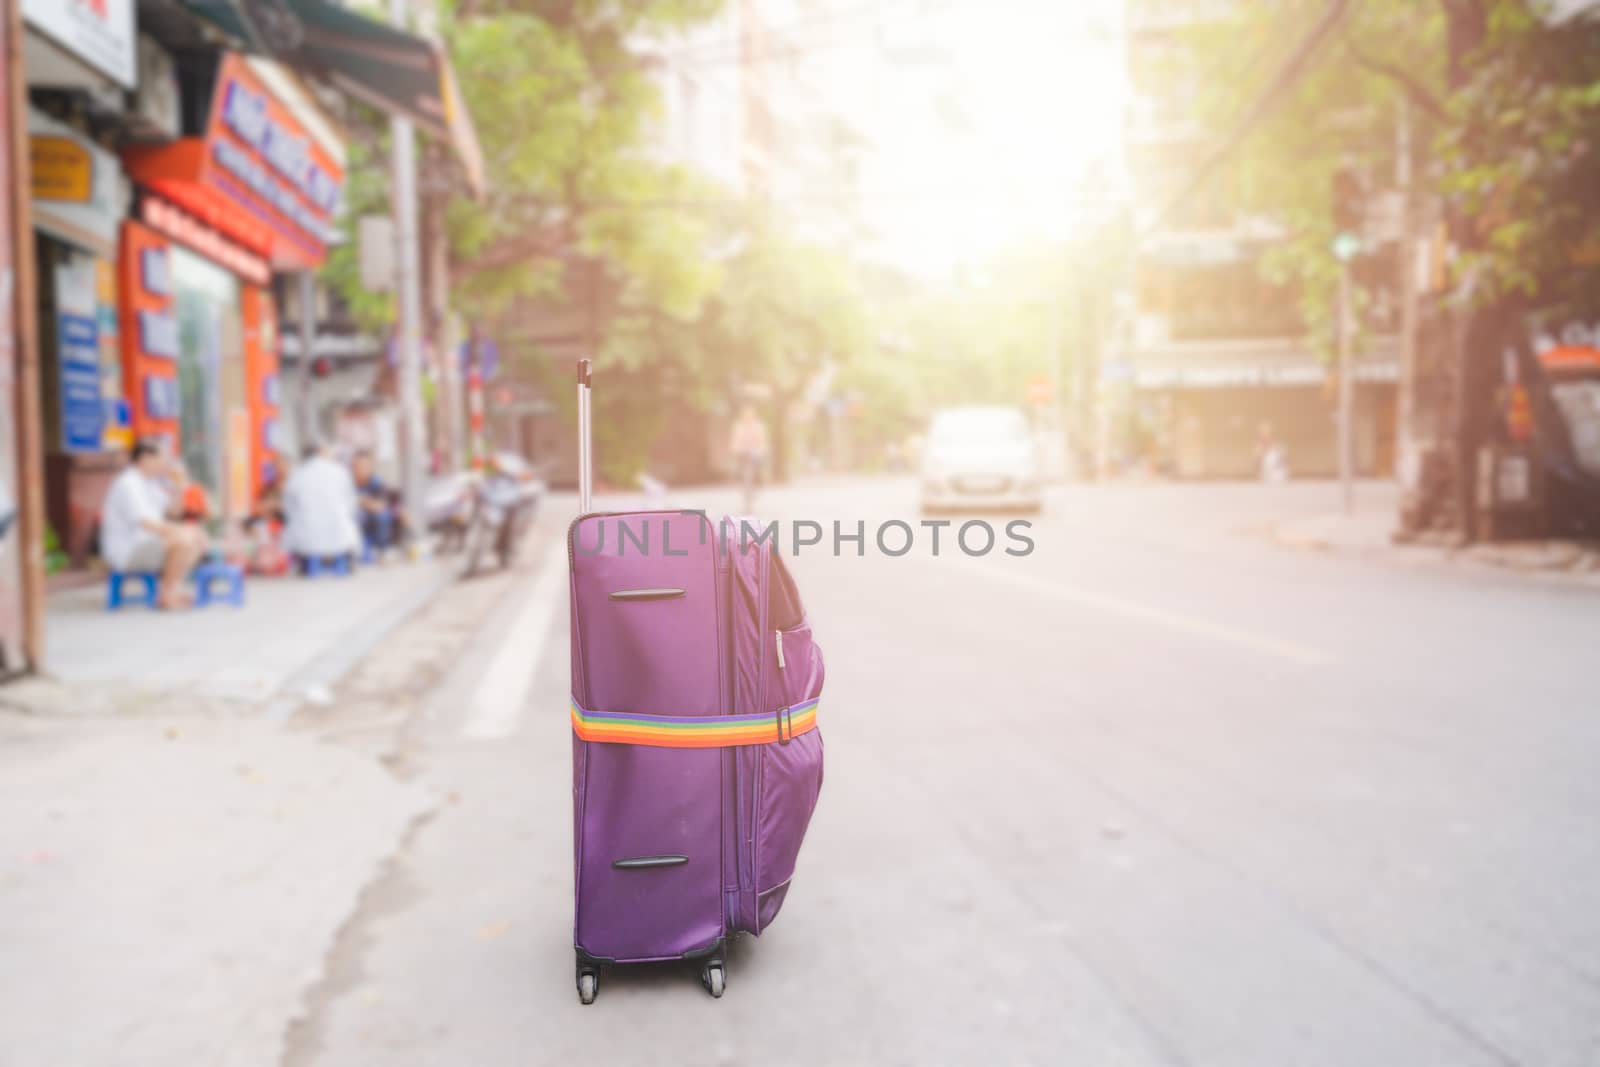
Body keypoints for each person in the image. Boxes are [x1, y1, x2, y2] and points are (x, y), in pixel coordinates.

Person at [100, 440, 206, 609]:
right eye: (162, 457)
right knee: (184, 538)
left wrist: (180, 487)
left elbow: (174, 512)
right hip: (129, 549)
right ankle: (167, 595)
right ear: (146, 458)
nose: (166, 462)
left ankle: (171, 589)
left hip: (149, 544)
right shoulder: (128, 483)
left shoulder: (150, 483)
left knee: (196, 535)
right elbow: (145, 523)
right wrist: (180, 531)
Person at [283, 443, 361, 571]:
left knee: (296, 532)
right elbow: (351, 504)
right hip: (339, 536)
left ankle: (307, 565)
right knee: (348, 529)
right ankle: (342, 563)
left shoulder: (298, 474)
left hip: (307, 538)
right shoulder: (339, 472)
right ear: (321, 452)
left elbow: (289, 507)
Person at [350, 450, 402, 556]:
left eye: (365, 466)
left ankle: (382, 551)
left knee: (383, 516)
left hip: (370, 520)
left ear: (370, 467)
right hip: (352, 520)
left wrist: (361, 501)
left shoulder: (376, 482)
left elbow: (381, 506)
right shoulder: (347, 481)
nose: (361, 469)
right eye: (358, 466)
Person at [729, 405, 769, 513]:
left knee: (757, 471)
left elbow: (762, 441)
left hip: (755, 454)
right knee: (741, 474)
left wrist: (761, 450)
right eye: (746, 416)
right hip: (743, 453)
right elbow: (735, 441)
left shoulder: (758, 426)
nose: (748, 418)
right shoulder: (739, 427)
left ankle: (759, 482)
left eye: (750, 416)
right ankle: (744, 492)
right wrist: (735, 449)